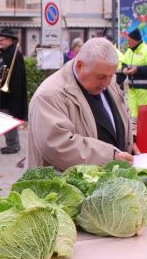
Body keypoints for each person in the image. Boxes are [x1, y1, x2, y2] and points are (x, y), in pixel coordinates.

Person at [27, 37, 136, 171]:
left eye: (111, 75)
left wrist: (133, 139)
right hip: (65, 188)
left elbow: (125, 115)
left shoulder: (108, 81)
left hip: (107, 182)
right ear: (80, 66)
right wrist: (110, 157)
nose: (107, 83)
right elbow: (57, 145)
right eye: (101, 77)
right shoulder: (49, 94)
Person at [0, 28, 28, 154]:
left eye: (2, 40)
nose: (0, 42)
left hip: (9, 94)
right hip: (2, 93)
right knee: (4, 118)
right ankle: (10, 143)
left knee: (7, 119)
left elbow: (16, 75)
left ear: (10, 40)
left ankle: (13, 145)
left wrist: (5, 82)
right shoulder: (5, 52)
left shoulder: (14, 54)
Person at [121, 28, 147, 123]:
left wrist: (137, 69)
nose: (127, 43)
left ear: (135, 40)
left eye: (129, 41)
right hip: (132, 88)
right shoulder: (129, 51)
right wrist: (124, 69)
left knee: (144, 115)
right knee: (134, 115)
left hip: (144, 90)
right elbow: (124, 64)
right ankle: (135, 135)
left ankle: (146, 134)